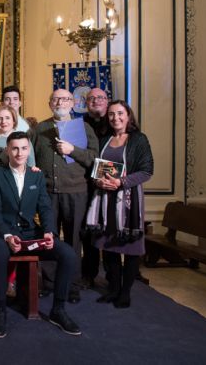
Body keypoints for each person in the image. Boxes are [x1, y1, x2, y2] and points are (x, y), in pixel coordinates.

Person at [0, 132, 81, 338]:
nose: (19, 153)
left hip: (31, 231)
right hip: (4, 233)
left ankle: (58, 309)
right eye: (14, 148)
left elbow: (45, 208)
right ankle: (0, 310)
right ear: (7, 151)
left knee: (67, 254)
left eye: (23, 148)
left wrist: (49, 231)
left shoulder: (36, 175)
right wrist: (8, 236)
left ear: (29, 150)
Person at [32, 88, 98, 302]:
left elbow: (94, 160)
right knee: (48, 238)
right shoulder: (39, 129)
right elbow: (30, 157)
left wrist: (73, 150)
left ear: (73, 103)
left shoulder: (84, 128)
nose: (60, 102)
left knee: (73, 240)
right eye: (55, 99)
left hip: (76, 192)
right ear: (50, 103)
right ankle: (50, 283)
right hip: (48, 193)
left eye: (65, 99)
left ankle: (72, 285)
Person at [86, 100, 153, 308]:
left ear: (128, 116)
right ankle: (113, 289)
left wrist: (121, 182)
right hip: (105, 199)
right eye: (112, 114)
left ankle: (125, 293)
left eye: (120, 113)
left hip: (128, 200)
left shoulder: (138, 140)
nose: (116, 118)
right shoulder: (104, 139)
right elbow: (97, 167)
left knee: (130, 247)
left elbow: (146, 170)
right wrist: (98, 180)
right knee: (109, 245)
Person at [82, 87, 110, 287]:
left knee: (110, 230)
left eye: (100, 97)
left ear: (107, 100)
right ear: (86, 103)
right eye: (91, 98)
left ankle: (113, 275)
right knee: (88, 231)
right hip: (87, 184)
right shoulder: (80, 124)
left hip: (112, 182)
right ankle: (88, 273)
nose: (96, 101)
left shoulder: (116, 121)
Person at [0, 104, 36, 171]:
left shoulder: (23, 138)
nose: (3, 122)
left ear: (14, 120)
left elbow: (31, 165)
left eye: (7, 118)